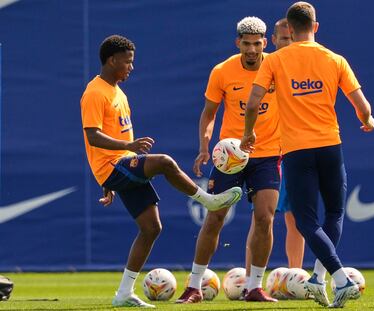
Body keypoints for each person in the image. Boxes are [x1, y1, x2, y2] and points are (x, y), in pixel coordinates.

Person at [80, 35, 242, 308]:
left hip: (118, 168)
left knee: (152, 228)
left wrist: (110, 182)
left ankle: (123, 294)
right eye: (127, 62)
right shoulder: (94, 92)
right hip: (115, 165)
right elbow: (93, 136)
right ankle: (208, 200)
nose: (131, 67)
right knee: (165, 162)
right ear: (111, 60)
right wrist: (125, 150)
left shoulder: (118, 91)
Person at [241, 2, 374, 308]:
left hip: (296, 151)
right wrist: (367, 121)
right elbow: (363, 107)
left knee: (306, 220)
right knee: (334, 213)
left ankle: (331, 278)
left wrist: (248, 133)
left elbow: (252, 104)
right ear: (315, 26)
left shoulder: (275, 60)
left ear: (289, 28)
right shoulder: (335, 59)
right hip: (330, 146)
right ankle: (325, 278)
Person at [176, 17, 280, 304]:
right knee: (215, 217)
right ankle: (194, 286)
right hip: (230, 157)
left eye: (257, 44)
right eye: (246, 44)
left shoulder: (276, 66)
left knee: (264, 218)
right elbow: (208, 115)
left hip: (269, 153)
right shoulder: (222, 71)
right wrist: (203, 146)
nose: (251, 49)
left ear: (264, 42)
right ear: (237, 42)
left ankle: (254, 287)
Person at [272, 18, 305, 269]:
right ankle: (253, 281)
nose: (289, 44)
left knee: (295, 218)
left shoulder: (305, 69)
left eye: (292, 38)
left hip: (293, 152)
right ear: (273, 41)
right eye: (284, 39)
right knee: (260, 217)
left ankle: (295, 274)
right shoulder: (267, 67)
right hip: (264, 154)